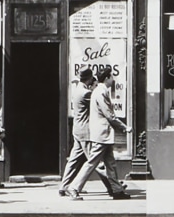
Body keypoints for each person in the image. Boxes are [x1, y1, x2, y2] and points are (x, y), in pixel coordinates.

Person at [58, 68, 140, 199]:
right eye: (112, 76)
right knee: (93, 162)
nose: (113, 79)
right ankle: (74, 187)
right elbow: (109, 114)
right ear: (107, 78)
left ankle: (116, 190)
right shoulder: (97, 92)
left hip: (97, 133)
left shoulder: (92, 90)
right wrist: (124, 127)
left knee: (109, 163)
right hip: (98, 133)